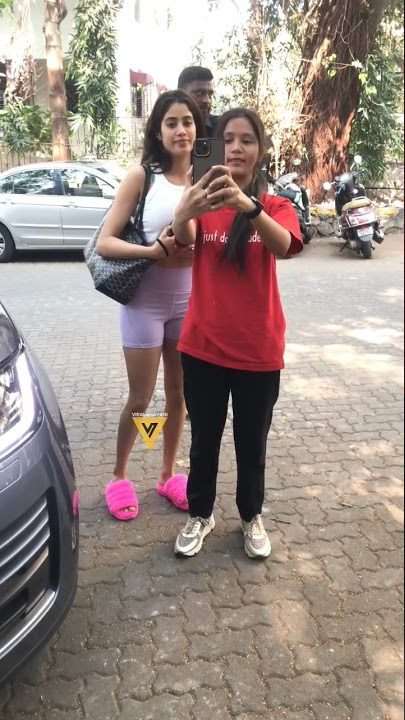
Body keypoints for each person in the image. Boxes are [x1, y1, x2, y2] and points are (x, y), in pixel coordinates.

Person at [171, 108, 303, 558]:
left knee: (252, 445)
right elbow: (184, 237)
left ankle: (250, 516)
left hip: (258, 351)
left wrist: (248, 205)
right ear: (216, 146)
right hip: (203, 346)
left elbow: (283, 246)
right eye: (227, 139)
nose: (236, 148)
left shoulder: (277, 204)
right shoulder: (203, 199)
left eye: (247, 140)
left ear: (260, 150)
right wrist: (185, 206)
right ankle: (200, 514)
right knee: (204, 440)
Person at [96, 89, 205, 521]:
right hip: (144, 302)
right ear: (158, 132)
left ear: (198, 129)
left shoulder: (210, 176)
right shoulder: (142, 177)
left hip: (189, 302)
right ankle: (119, 476)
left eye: (188, 122)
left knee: (178, 396)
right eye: (172, 123)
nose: (181, 130)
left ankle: (166, 475)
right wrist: (152, 253)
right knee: (141, 399)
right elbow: (105, 242)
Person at [177, 66, 219, 138]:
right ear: (180, 93)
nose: (207, 100)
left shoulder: (220, 128)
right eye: (200, 93)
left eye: (210, 95)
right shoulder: (162, 129)